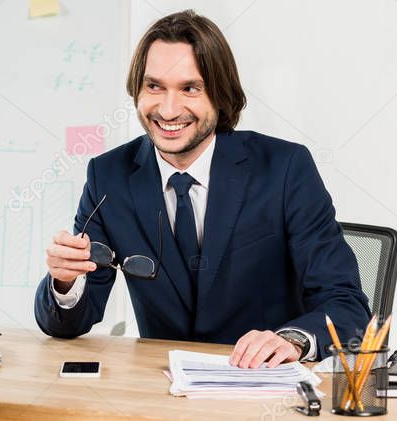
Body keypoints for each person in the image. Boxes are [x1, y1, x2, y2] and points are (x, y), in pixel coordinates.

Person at [34, 10, 371, 368]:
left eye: (190, 88)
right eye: (154, 86)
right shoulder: (109, 176)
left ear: (220, 95)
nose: (167, 109)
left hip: (264, 392)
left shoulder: (285, 168)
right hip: (161, 393)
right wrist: (66, 283)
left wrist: (293, 340)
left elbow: (347, 305)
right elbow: (68, 325)